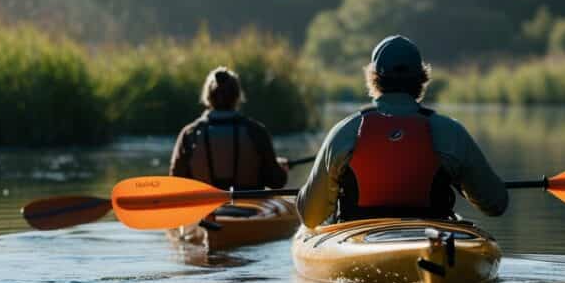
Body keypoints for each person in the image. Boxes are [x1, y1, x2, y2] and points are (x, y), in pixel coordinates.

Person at [297, 35, 507, 228]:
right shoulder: (451, 132)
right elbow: (496, 204)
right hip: (430, 239)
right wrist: (462, 185)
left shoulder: (344, 131)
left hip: (359, 238)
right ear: (422, 79)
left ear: (373, 77)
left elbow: (310, 216)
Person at [170, 66, 288, 190]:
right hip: (249, 207)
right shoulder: (256, 131)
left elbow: (176, 182)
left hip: (207, 208)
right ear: (237, 96)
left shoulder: (189, 134)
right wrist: (281, 169)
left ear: (208, 97)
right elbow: (276, 181)